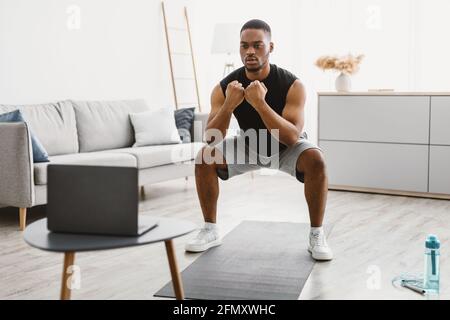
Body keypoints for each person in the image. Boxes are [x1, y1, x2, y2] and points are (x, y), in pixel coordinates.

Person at [185, 19, 333, 261]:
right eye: (244, 46)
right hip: (248, 143)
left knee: (316, 159)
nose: (250, 51)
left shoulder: (292, 85)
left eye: (257, 45)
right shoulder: (224, 87)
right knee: (205, 156)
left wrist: (260, 104)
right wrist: (229, 105)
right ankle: (210, 230)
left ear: (270, 47)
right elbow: (212, 137)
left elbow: (291, 136)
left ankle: (316, 234)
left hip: (285, 148)